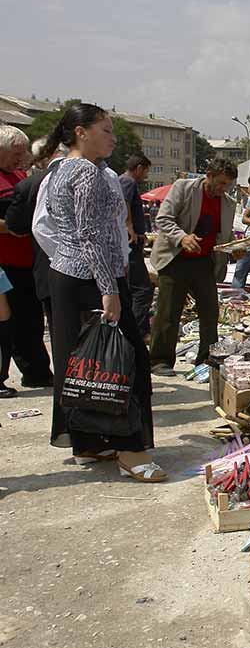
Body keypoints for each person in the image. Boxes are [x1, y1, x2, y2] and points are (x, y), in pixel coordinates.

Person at [40, 103, 163, 481]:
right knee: (123, 363)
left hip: (67, 277)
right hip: (92, 280)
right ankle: (130, 450)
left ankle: (89, 441)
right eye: (106, 130)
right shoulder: (85, 173)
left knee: (82, 363)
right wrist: (109, 288)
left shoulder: (60, 170)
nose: (112, 137)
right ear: (81, 132)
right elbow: (89, 235)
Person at [149, 158, 235, 375]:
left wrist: (234, 247)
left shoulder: (227, 203)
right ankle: (160, 360)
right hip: (176, 257)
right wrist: (182, 237)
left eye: (228, 184)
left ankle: (207, 358)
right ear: (209, 175)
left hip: (203, 260)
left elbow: (222, 235)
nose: (223, 188)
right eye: (221, 183)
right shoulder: (184, 188)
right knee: (169, 311)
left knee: (210, 311)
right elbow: (164, 219)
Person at [0, 125, 52, 397]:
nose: (21, 159)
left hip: (27, 260)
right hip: (4, 262)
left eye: (23, 153)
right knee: (9, 323)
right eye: (16, 153)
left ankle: (38, 373)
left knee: (31, 320)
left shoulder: (20, 175)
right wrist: (13, 226)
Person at [119, 154, 154, 340]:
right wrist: (130, 228)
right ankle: (138, 331)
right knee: (142, 289)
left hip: (133, 239)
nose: (145, 175)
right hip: (130, 241)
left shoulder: (122, 181)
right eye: (146, 170)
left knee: (135, 287)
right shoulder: (128, 182)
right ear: (139, 168)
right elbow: (124, 205)